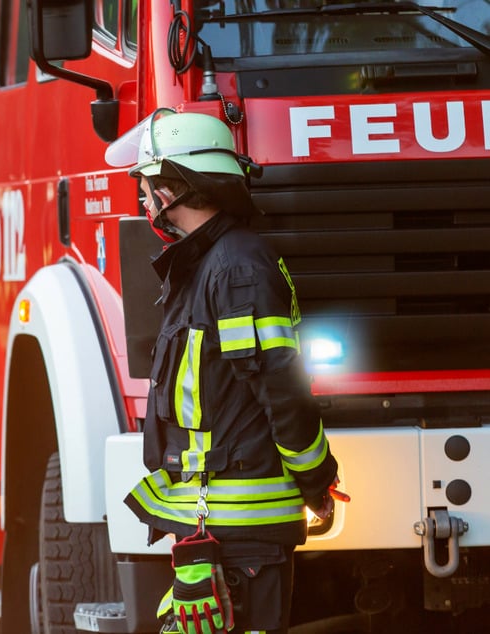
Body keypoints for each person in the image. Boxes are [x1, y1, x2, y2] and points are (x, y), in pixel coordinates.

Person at [105, 109, 343, 634]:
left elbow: (280, 385)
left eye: (146, 186)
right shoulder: (208, 264)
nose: (143, 200)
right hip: (215, 527)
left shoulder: (236, 269)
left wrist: (315, 478)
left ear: (171, 190)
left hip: (243, 533)